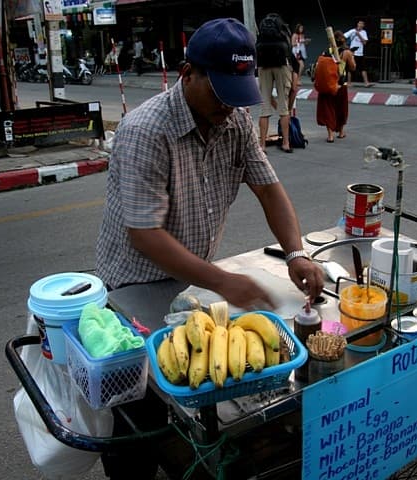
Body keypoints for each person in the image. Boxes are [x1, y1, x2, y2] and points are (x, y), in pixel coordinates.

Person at [96, 17, 324, 311]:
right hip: (135, 285)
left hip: (192, 278)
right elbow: (145, 234)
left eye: (236, 94)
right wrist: (222, 282)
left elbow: (268, 190)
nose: (228, 106)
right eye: (220, 93)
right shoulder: (146, 131)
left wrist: (295, 254)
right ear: (187, 74)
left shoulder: (236, 119)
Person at [256, 12, 294, 153]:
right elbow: (289, 50)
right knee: (283, 107)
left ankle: (262, 145)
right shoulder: (282, 29)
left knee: (264, 107)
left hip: (263, 66)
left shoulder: (262, 32)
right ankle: (285, 143)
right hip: (281, 65)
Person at [316, 31, 355, 142]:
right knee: (341, 108)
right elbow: (353, 68)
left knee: (328, 108)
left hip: (328, 84)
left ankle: (330, 135)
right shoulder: (347, 53)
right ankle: (341, 132)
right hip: (341, 84)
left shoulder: (326, 51)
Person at [344, 19, 371, 87]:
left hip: (360, 53)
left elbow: (364, 43)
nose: (361, 25)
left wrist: (358, 34)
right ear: (357, 24)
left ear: (363, 25)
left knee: (363, 68)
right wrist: (345, 46)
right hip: (352, 53)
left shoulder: (364, 32)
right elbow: (343, 37)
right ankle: (349, 83)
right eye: (360, 23)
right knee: (350, 68)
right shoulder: (352, 31)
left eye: (362, 24)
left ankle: (366, 83)